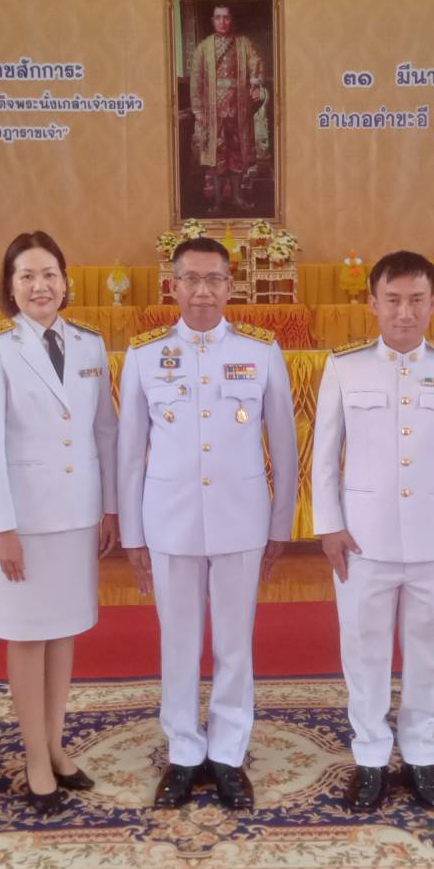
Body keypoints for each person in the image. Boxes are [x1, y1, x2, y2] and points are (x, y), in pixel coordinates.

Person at [117, 237, 298, 810]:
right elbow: (129, 453)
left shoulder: (261, 351)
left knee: (234, 642)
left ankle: (227, 751)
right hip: (169, 520)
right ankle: (183, 751)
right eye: (191, 279)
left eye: (214, 279)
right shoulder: (144, 355)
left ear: (229, 286)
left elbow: (284, 447)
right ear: (172, 286)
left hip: (241, 518)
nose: (202, 291)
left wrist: (281, 525)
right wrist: (132, 533)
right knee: (177, 641)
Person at [312, 250, 434, 812]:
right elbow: (325, 455)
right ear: (372, 303)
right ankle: (369, 757)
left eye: (417, 300)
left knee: (430, 650)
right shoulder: (345, 367)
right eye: (393, 300)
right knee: (363, 650)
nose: (405, 312)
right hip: (362, 540)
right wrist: (329, 525)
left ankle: (419, 754)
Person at [0, 232, 120, 816]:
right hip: (26, 519)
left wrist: (110, 507)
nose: (40, 286)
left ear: (65, 280)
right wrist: (1, 527)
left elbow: (104, 430)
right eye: (27, 275)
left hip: (78, 512)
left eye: (50, 274)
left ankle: (56, 746)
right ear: (10, 286)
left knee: (63, 632)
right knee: (28, 634)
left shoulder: (88, 343)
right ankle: (35, 755)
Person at [190, 4, 266, 214]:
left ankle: (237, 197)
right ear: (212, 20)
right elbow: (196, 80)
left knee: (237, 154)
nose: (222, 22)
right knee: (216, 156)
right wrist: (198, 110)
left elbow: (256, 64)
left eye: (226, 17)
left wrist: (255, 84)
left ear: (231, 20)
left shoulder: (244, 44)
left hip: (238, 108)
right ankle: (217, 201)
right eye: (218, 17)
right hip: (213, 111)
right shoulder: (203, 48)